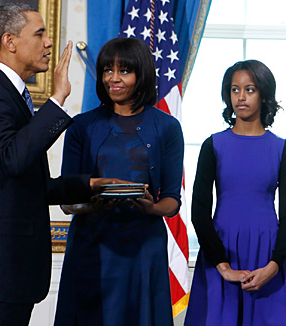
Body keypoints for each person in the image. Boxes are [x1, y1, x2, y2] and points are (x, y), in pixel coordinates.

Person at [0, 3, 123, 326]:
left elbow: (25, 182)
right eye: (39, 34)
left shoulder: (11, 95)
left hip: (8, 275)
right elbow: (14, 158)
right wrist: (57, 100)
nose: (49, 42)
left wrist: (89, 184)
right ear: (10, 42)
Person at [53, 37, 184, 326]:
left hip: (144, 248)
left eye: (124, 71)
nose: (113, 78)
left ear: (142, 74)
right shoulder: (80, 126)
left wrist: (151, 208)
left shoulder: (168, 127)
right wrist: (92, 203)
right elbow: (66, 201)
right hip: (92, 245)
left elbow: (172, 199)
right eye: (107, 71)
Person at [184, 59, 286, 325]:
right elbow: (199, 211)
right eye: (235, 90)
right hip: (221, 253)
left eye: (250, 89)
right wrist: (223, 267)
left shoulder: (283, 150)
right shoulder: (213, 145)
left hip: (268, 258)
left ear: (264, 95)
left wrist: (272, 267)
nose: (241, 97)